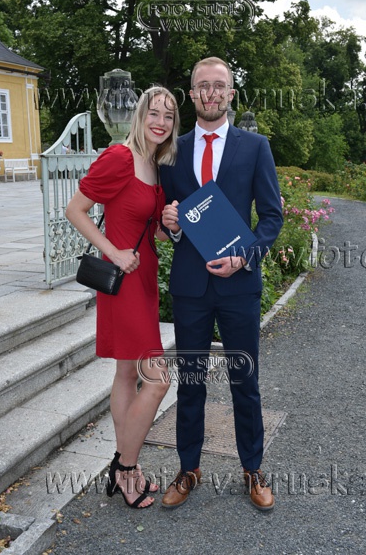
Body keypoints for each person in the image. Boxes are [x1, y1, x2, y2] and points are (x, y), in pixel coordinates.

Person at [160, 57, 283, 511]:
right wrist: (170, 223)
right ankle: (188, 468)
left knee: (244, 381)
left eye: (219, 86)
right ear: (191, 94)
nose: (210, 93)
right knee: (190, 382)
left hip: (239, 285)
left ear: (230, 93)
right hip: (190, 288)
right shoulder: (172, 151)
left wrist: (245, 257)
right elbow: (166, 217)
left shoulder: (256, 147)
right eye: (202, 86)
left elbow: (271, 217)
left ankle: (253, 469)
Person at [66, 86, 180, 509]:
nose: (161, 122)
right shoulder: (119, 157)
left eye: (169, 116)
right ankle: (125, 468)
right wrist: (112, 251)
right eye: (154, 113)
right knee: (159, 380)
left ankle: (126, 465)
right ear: (140, 115)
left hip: (145, 280)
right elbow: (74, 210)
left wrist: (170, 224)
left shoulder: (156, 165)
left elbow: (154, 232)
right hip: (123, 281)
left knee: (126, 375)